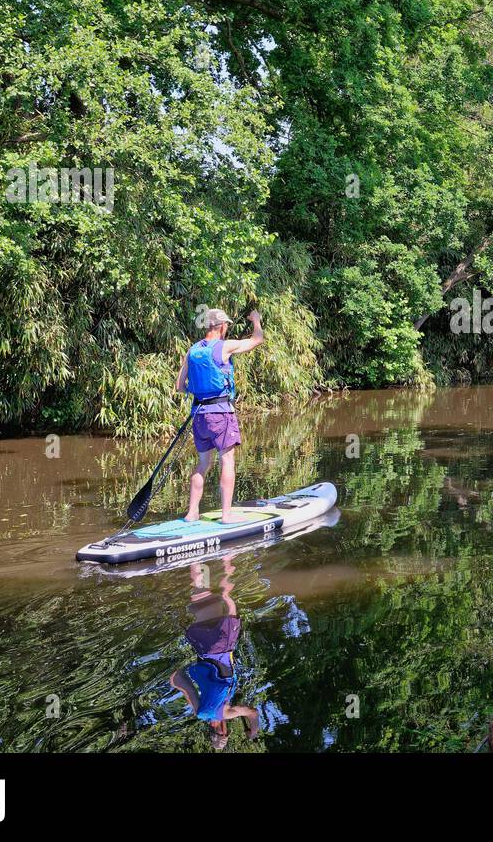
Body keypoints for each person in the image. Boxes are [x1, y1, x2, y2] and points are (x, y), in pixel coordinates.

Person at [175, 308, 264, 523]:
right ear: (222, 326)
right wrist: (256, 320)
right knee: (227, 462)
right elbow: (256, 340)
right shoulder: (225, 346)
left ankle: (192, 513)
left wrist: (201, 394)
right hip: (221, 414)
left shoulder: (193, 350)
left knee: (203, 465)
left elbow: (179, 386)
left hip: (199, 415)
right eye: (227, 326)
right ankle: (226, 516)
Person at [169, 556, 259, 750]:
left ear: (223, 731)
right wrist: (187, 667)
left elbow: (252, 712)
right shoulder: (199, 712)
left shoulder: (225, 713)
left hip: (222, 645)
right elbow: (177, 680)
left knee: (228, 600)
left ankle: (228, 559)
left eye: (227, 732)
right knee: (202, 592)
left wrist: (254, 730)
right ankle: (195, 559)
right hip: (202, 645)